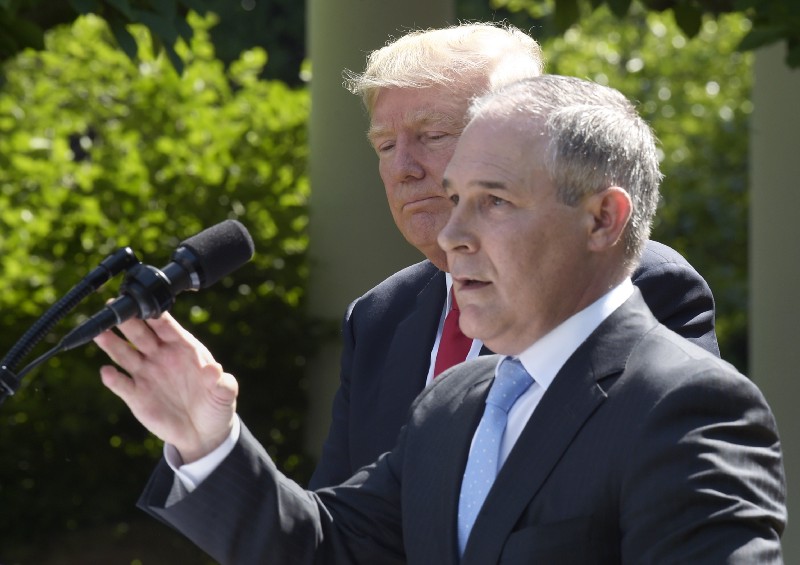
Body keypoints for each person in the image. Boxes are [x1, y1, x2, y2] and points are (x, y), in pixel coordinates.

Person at [95, 74, 786, 564]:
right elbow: (328, 548)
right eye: (455, 198)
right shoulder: (451, 403)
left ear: (602, 218)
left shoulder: (686, 404)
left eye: (493, 200)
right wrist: (207, 440)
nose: (452, 232)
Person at [310, 22, 719, 489]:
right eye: (385, 145)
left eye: (434, 135)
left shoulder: (636, 286)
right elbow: (337, 525)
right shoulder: (377, 317)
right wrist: (214, 452)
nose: (403, 167)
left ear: (520, 135)